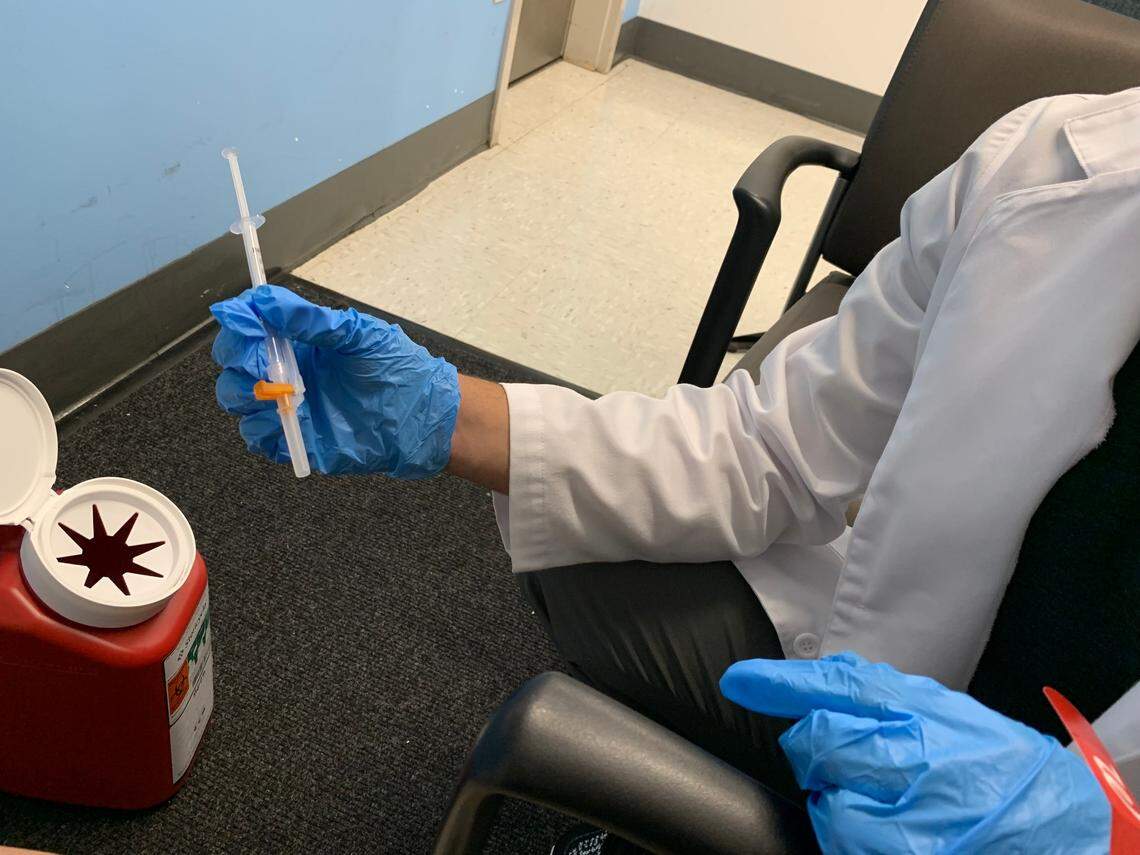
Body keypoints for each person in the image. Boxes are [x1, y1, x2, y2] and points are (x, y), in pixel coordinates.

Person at [210, 88, 1140, 815]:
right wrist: (448, 414)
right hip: (894, 685)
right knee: (582, 550)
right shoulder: (1043, 165)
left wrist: (1079, 824)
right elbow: (768, 446)